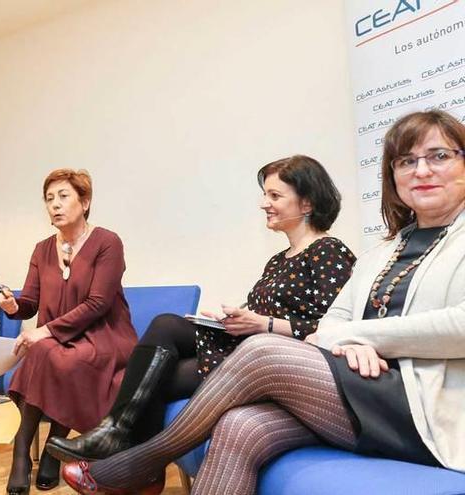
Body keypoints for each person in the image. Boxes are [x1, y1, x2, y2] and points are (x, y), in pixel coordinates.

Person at [61, 110, 465, 495]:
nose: (422, 170)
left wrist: (362, 337)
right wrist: (351, 341)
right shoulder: (387, 249)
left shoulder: (340, 250)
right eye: (406, 161)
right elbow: (331, 324)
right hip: (367, 389)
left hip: (432, 407)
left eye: (439, 156)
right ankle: (135, 454)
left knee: (261, 351)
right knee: (239, 425)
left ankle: (141, 459)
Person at [47, 155, 356, 464]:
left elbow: (334, 329)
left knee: (155, 377)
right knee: (167, 325)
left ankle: (125, 450)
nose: (264, 203)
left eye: (275, 195)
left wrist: (264, 325)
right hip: (247, 346)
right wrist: (229, 319)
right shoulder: (278, 260)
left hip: (278, 362)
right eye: (265, 195)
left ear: (306, 204)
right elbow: (261, 315)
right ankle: (118, 439)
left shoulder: (329, 252)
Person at [0, 169, 138, 494]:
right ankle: (28, 456)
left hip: (104, 336)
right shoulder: (42, 248)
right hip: (58, 338)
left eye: (63, 197)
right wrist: (13, 308)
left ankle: (46, 451)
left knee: (52, 353)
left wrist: (44, 331)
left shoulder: (107, 242)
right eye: (49, 199)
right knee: (47, 352)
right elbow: (29, 302)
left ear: (85, 202)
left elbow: (99, 303)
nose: (55, 205)